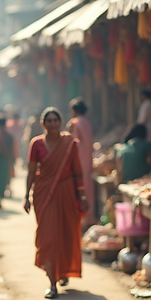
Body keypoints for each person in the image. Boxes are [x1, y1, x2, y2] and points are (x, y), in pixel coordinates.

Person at [23, 108, 87, 299]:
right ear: (43, 124)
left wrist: (82, 196)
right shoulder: (36, 144)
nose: (52, 124)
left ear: (60, 122)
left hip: (67, 192)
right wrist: (26, 195)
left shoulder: (69, 143)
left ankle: (64, 271)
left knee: (66, 233)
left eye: (55, 120)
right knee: (48, 237)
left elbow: (77, 171)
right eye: (49, 121)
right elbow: (31, 171)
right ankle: (52, 283)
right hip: (43, 193)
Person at [66, 98, 95, 229]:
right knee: (87, 187)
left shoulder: (74, 122)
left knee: (78, 188)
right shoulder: (87, 122)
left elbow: (70, 140)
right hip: (87, 158)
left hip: (78, 158)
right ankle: (89, 216)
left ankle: (81, 218)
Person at [0, 115, 15, 210]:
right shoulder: (4, 136)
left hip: (1, 161)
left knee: (0, 180)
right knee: (1, 181)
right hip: (1, 161)